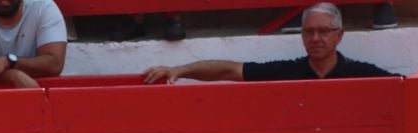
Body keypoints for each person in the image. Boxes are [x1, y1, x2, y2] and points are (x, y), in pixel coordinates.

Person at [142, 3, 395, 82]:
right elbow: (229, 69)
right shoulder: (286, 71)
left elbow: (408, 90)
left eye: (323, 31)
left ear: (339, 35)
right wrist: (180, 70)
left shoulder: (363, 75)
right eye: (308, 32)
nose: (315, 38)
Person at [0, 0, 67, 88]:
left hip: (34, 95)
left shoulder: (44, 8)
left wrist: (7, 61)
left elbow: (54, 64)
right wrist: (12, 76)